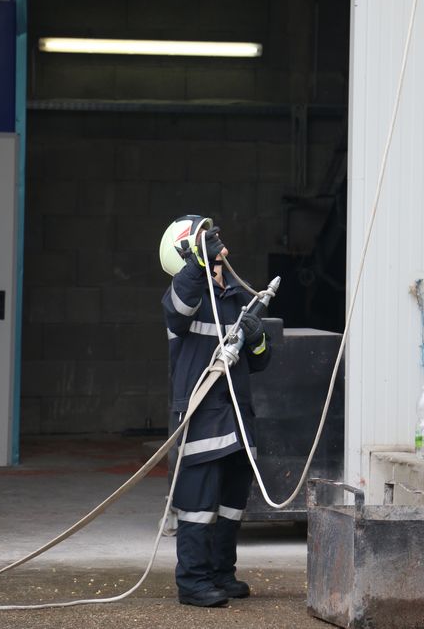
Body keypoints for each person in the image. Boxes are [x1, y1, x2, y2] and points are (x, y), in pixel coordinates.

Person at [159, 214, 272, 608]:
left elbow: (259, 361)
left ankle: (222, 574)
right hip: (202, 418)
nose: (220, 244)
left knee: (230, 505)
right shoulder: (184, 296)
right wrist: (196, 265)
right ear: (189, 251)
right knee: (197, 505)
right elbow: (178, 310)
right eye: (207, 239)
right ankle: (193, 583)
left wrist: (257, 339)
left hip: (238, 419)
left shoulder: (238, 297)